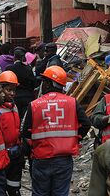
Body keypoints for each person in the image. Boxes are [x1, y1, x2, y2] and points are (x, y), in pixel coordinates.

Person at [21, 66, 91, 196]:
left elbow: (25, 132)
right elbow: (86, 123)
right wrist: (74, 139)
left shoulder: (35, 104)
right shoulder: (72, 102)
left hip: (41, 158)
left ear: (48, 84)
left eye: (44, 81)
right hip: (63, 159)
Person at [0, 71, 23, 196]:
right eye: (8, 90)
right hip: (1, 156)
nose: (12, 93)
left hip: (14, 155)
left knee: (14, 187)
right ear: (1, 89)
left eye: (13, 90)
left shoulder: (14, 107)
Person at [7, 47, 36, 122]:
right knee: (26, 119)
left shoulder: (9, 68)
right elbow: (33, 84)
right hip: (27, 97)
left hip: (14, 97)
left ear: (14, 57)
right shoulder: (28, 69)